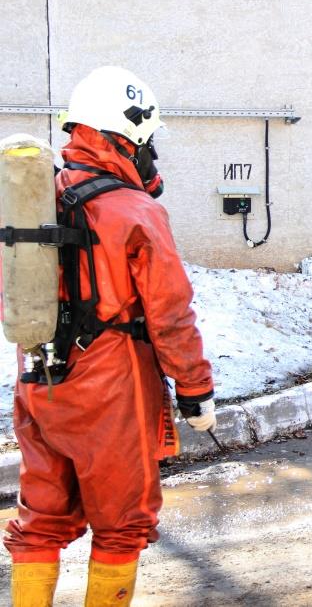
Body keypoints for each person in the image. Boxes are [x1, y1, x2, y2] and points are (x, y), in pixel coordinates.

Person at [4, 66, 216, 606]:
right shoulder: (135, 210)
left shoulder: (30, 204)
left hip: (39, 377)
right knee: (122, 523)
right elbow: (170, 313)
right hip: (112, 387)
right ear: (129, 132)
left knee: (41, 519)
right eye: (148, 141)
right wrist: (194, 390)